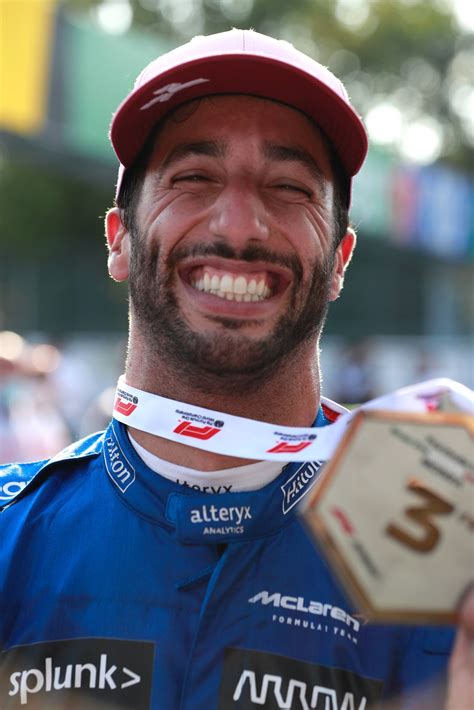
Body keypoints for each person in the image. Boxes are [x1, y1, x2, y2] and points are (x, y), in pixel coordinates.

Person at [0, 29, 472, 709]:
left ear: (339, 258)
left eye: (288, 187)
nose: (241, 224)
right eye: (194, 177)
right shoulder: (12, 542)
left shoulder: (444, 582)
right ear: (119, 239)